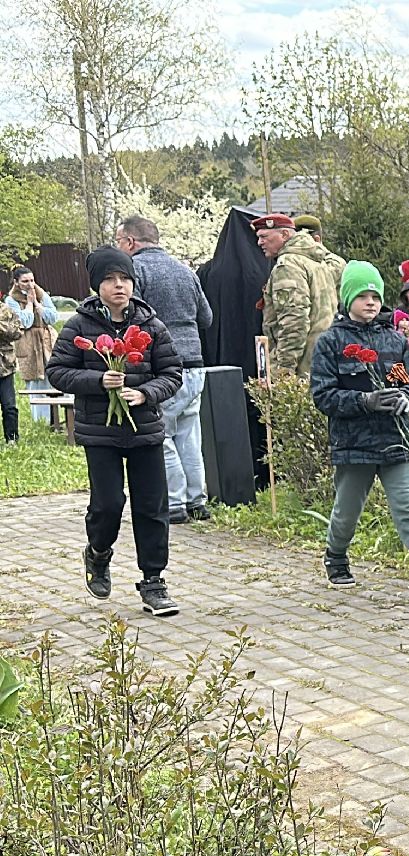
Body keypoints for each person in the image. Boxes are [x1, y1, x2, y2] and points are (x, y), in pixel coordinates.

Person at [310, 261, 409, 603]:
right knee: (347, 511)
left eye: (375, 295)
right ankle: (336, 556)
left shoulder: (394, 342)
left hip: (395, 440)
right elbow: (323, 395)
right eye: (362, 295)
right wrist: (365, 400)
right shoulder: (331, 343)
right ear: (347, 298)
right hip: (354, 445)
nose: (370, 302)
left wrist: (405, 400)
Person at [47, 246, 185, 616]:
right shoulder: (79, 326)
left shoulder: (151, 325)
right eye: (109, 279)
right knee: (108, 504)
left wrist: (144, 393)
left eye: (124, 278)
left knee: (152, 506)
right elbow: (57, 372)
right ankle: (98, 552)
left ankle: (154, 581)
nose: (118, 286)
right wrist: (97, 379)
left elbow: (172, 374)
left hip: (145, 429)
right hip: (100, 432)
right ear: (96, 286)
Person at [119, 216, 215, 524]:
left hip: (163, 367)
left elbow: (134, 319)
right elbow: (207, 317)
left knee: (162, 435)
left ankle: (173, 503)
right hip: (195, 365)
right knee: (189, 436)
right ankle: (197, 500)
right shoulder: (186, 271)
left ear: (131, 242)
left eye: (120, 242)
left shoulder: (138, 271)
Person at [255, 212, 345, 378]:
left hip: (303, 367)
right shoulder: (316, 261)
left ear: (284, 234)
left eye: (264, 236)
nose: (259, 242)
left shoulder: (288, 265)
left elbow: (294, 321)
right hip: (324, 358)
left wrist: (284, 371)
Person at [8, 268, 58, 425]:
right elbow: (23, 322)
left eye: (32, 280)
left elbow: (52, 317)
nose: (30, 284)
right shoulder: (11, 300)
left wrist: (37, 303)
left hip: (46, 340)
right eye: (25, 281)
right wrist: (29, 305)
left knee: (53, 376)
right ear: (16, 282)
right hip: (28, 342)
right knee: (36, 380)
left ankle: (56, 420)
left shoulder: (41, 294)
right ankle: (42, 422)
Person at [0, 296, 18, 443]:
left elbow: (17, 332)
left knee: (9, 406)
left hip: (5, 366)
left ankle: (11, 438)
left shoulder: (6, 310)